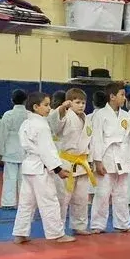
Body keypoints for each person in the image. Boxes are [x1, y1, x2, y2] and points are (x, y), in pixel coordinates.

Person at [14, 91, 74, 244]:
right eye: (46, 105)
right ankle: (57, 234)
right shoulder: (41, 125)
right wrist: (58, 170)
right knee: (49, 201)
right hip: (41, 167)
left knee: (26, 203)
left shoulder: (26, 123)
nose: (49, 108)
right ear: (36, 107)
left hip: (28, 166)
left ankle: (20, 233)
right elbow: (47, 150)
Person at [89, 83, 130, 234]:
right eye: (122, 94)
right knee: (103, 193)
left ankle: (123, 224)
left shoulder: (126, 115)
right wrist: (97, 161)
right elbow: (96, 138)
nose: (124, 98)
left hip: (123, 155)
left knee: (122, 193)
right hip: (106, 156)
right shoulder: (100, 115)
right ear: (112, 96)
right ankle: (98, 225)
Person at [53, 87, 93, 235]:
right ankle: (58, 227)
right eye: (77, 102)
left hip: (83, 162)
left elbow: (90, 141)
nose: (81, 105)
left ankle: (79, 225)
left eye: (83, 102)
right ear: (69, 102)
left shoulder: (87, 118)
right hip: (67, 162)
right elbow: (56, 126)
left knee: (81, 197)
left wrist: (92, 160)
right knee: (63, 198)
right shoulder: (65, 116)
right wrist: (62, 109)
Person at [0, 89, 29, 209]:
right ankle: (24, 203)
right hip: (25, 150)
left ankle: (8, 203)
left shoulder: (8, 115)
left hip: (10, 149)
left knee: (10, 178)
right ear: (26, 101)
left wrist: (0, 151)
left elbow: (2, 134)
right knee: (24, 179)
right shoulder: (29, 115)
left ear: (12, 100)